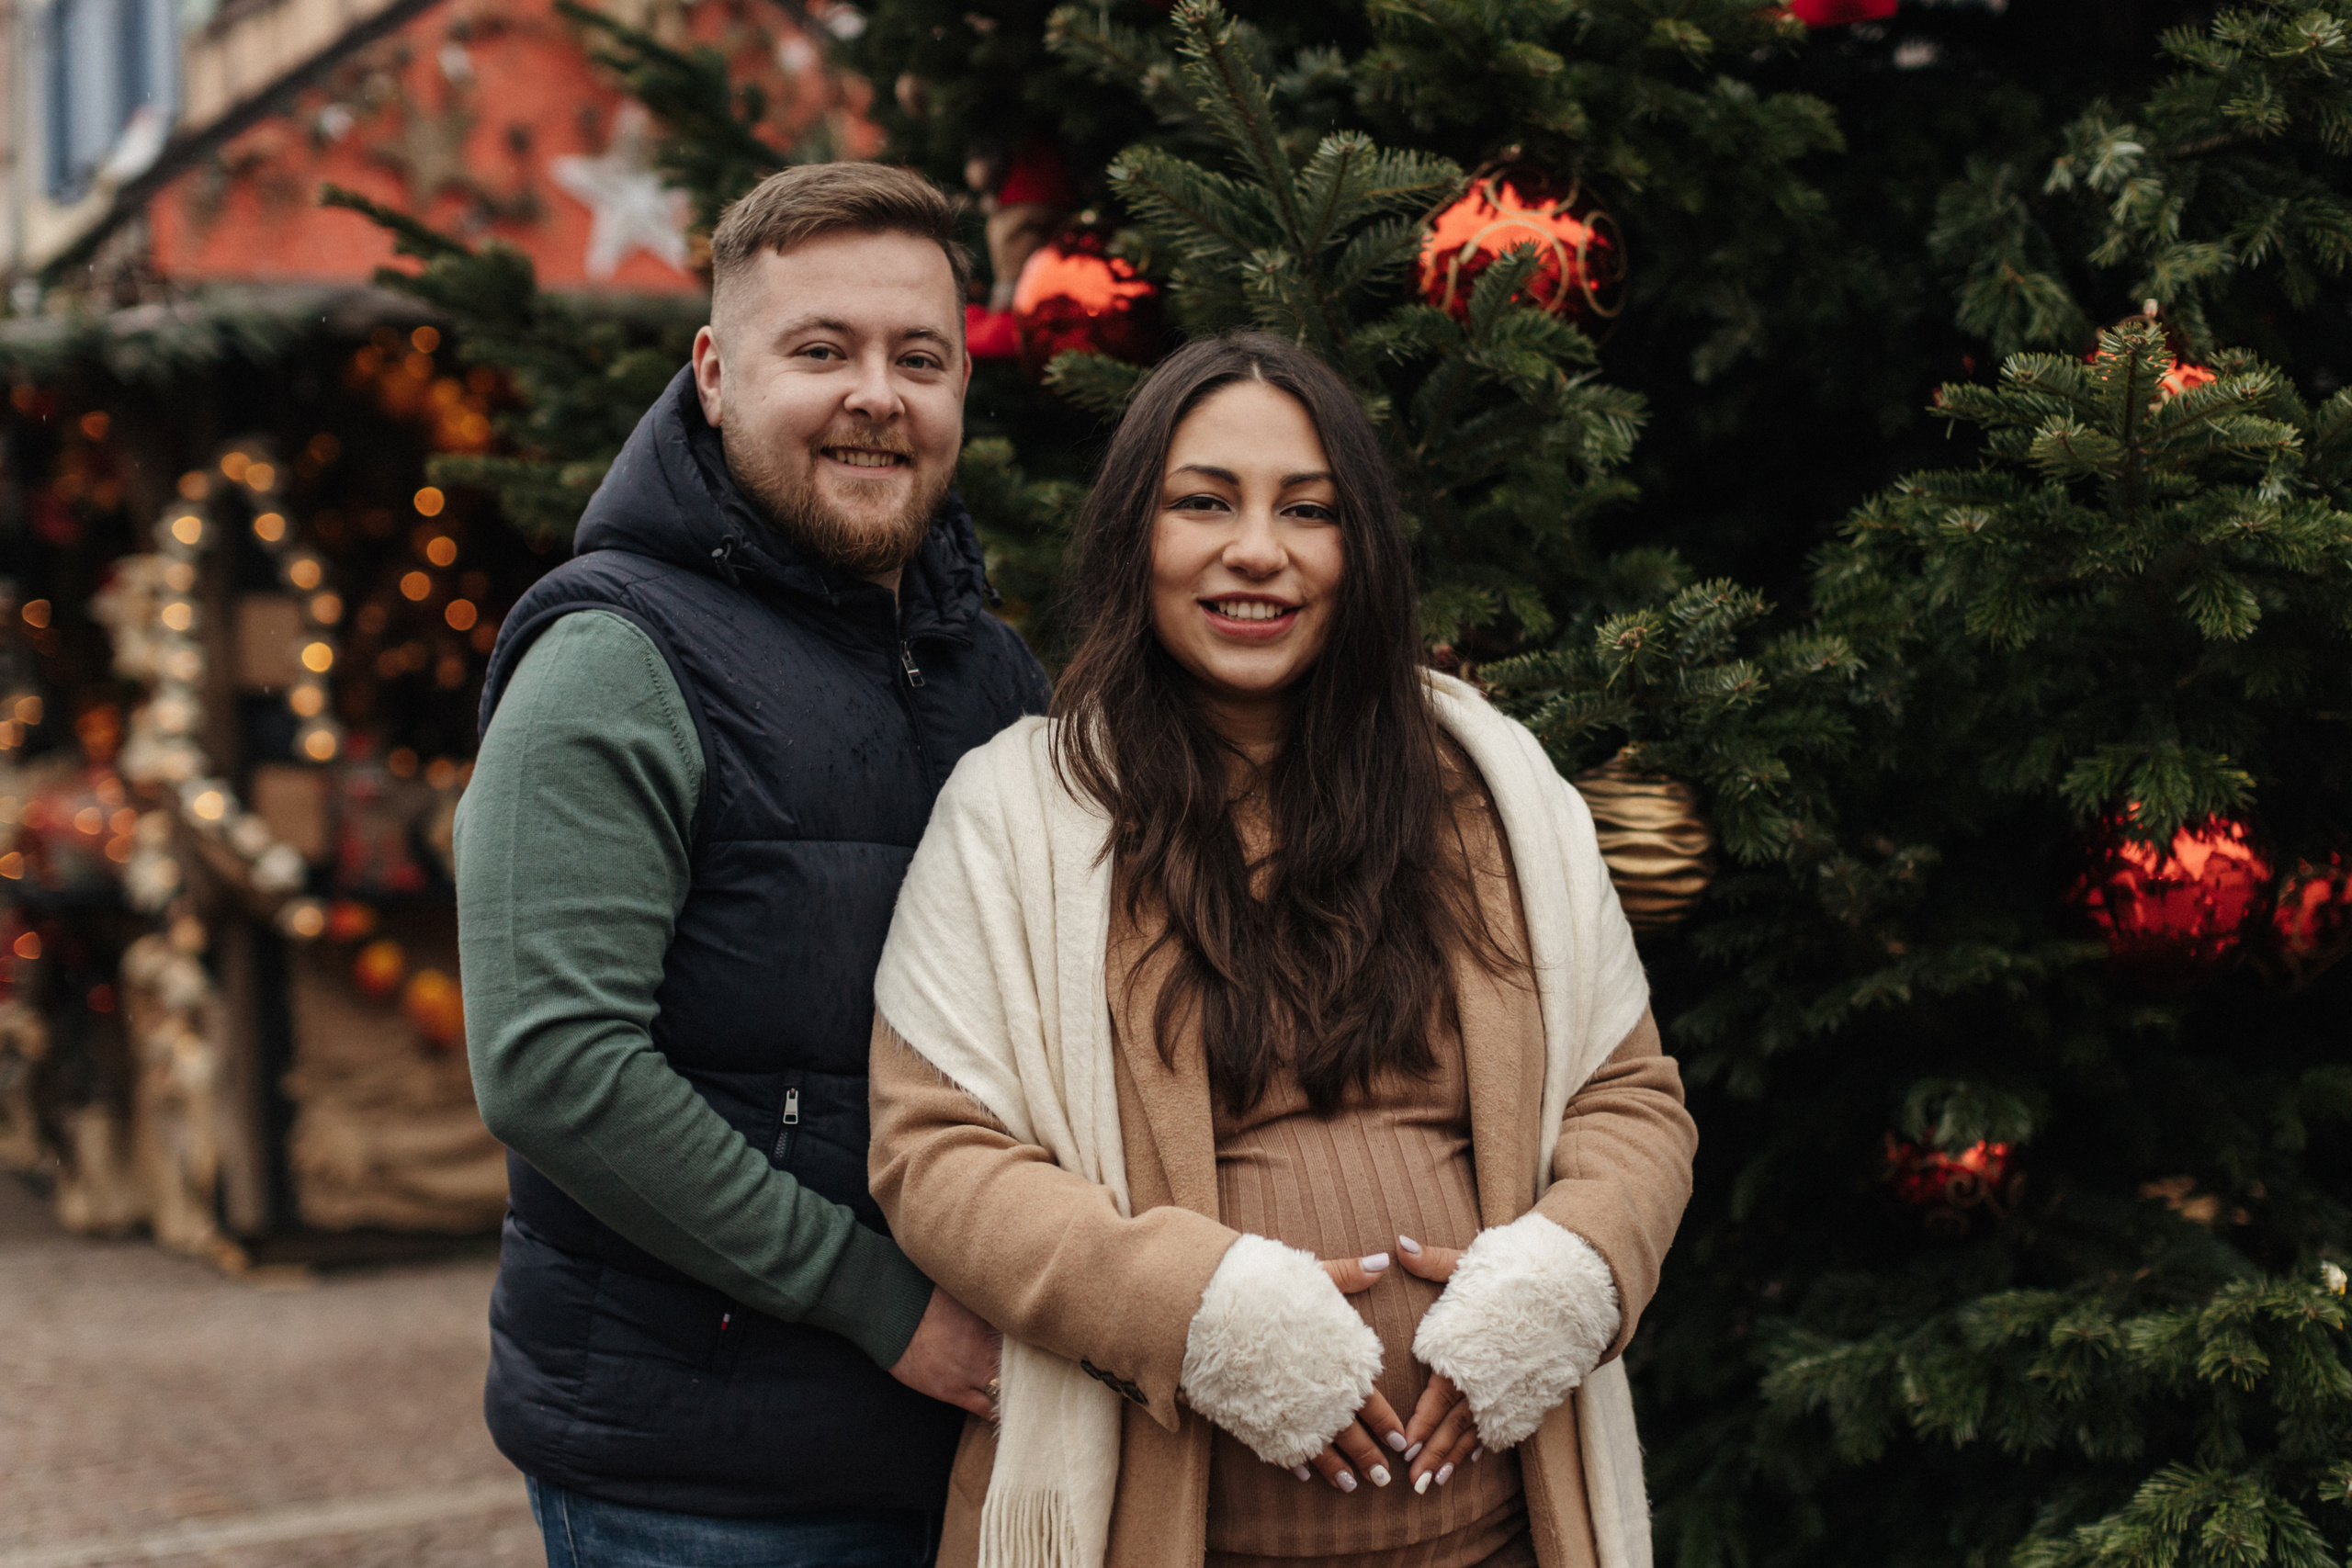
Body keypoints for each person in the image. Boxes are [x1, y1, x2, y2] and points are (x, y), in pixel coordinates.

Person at [867, 332, 1699, 1568]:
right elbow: (934, 1155)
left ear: (1360, 551)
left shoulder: (1490, 789)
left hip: (1500, 1543)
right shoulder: (1017, 815)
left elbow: (1630, 1099)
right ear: (1134, 535)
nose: (1257, 550)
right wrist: (1205, 1318)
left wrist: (1563, 1283)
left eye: (1308, 511)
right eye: (1204, 502)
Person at [457, 162, 1048, 1567]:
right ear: (716, 376)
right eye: (822, 351)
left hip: (961, 1454)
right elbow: (554, 1067)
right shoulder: (614, 660)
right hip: (704, 1492)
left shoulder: (989, 669)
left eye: (919, 359)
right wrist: (882, 1305)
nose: (877, 396)